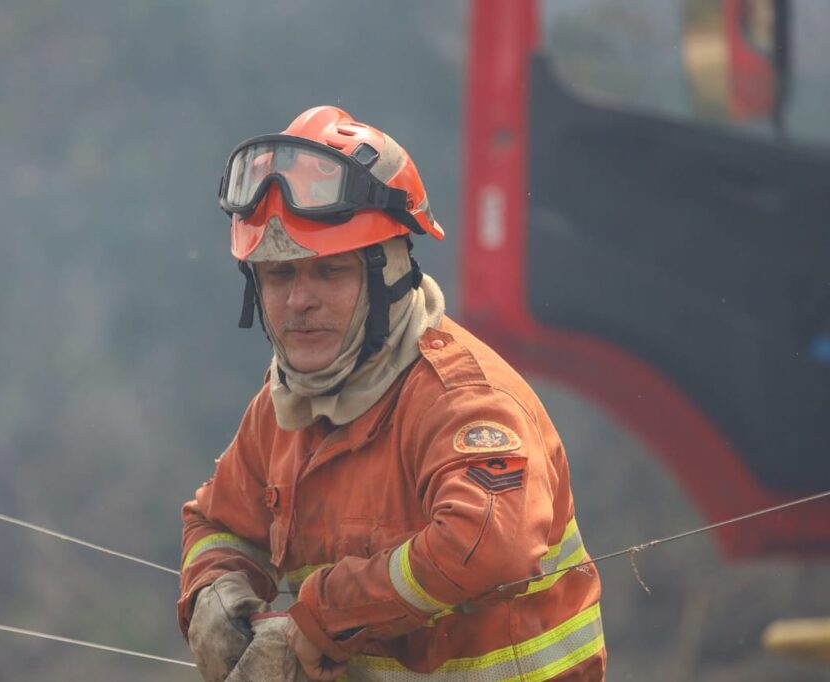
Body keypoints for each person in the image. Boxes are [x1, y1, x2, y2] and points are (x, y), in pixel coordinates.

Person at [178, 106, 606, 681]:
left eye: (329, 272)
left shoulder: (460, 400)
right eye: (279, 275)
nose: (299, 300)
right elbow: (219, 521)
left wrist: (319, 615)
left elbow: (488, 543)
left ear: (389, 276)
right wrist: (215, 592)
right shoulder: (285, 409)